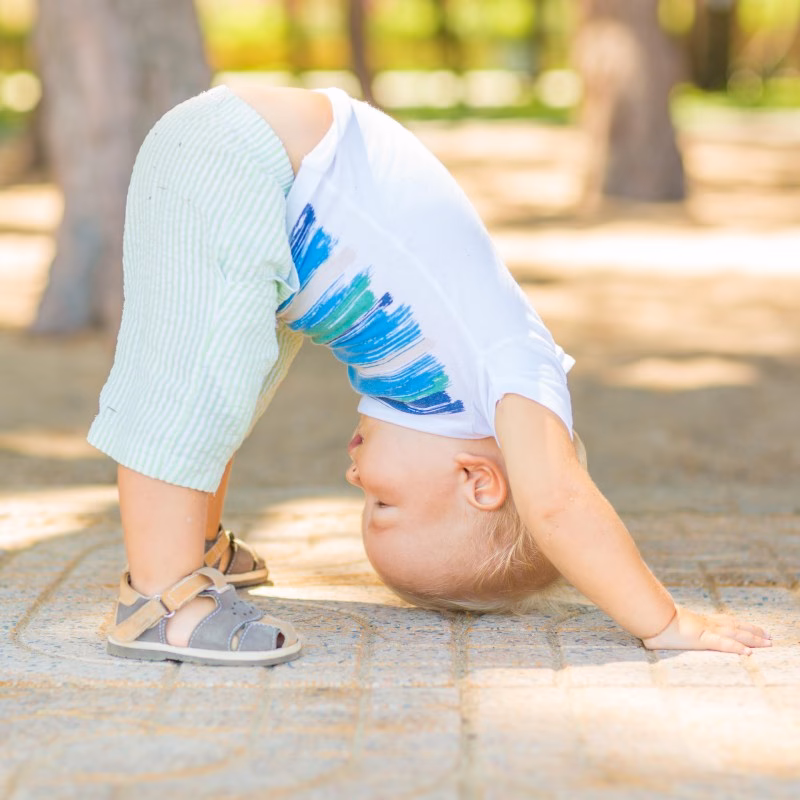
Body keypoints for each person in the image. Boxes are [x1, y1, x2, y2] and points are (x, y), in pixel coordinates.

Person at [89, 85, 771, 666]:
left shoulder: (454, 391)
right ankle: (161, 594)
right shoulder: (511, 377)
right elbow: (560, 504)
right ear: (480, 481)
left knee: (230, 382)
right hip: (246, 162)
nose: (354, 479)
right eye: (382, 504)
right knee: (196, 379)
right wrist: (663, 622)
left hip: (258, 176)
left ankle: (193, 542)